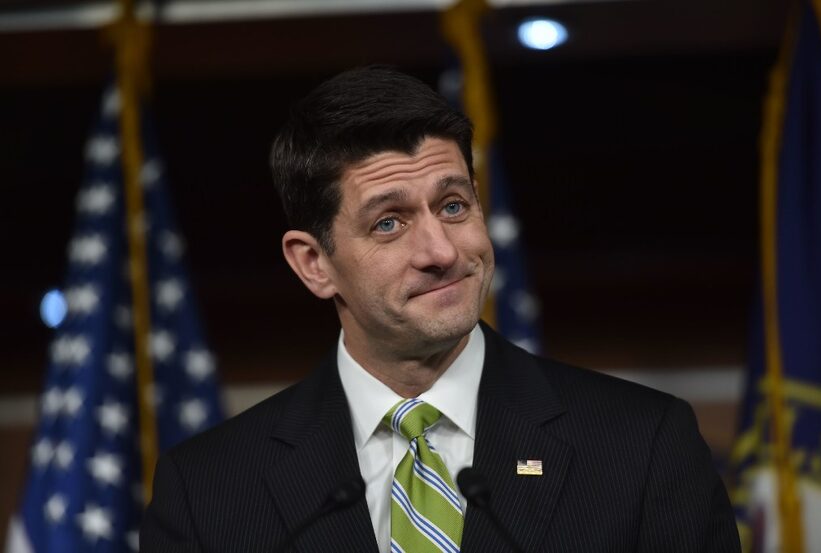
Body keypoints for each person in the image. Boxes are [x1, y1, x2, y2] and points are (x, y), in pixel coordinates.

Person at [140, 66, 740, 552]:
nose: (441, 251)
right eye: (389, 222)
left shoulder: (643, 447)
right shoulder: (208, 490)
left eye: (453, 206)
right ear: (313, 264)